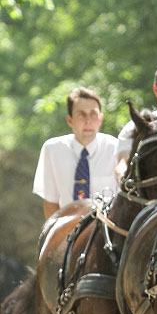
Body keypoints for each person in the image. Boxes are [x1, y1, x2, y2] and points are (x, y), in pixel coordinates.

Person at [32, 87, 119, 219]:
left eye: (93, 114)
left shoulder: (115, 148)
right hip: (67, 227)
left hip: (106, 229)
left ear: (100, 119)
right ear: (70, 120)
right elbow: (50, 203)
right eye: (81, 114)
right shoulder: (52, 150)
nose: (88, 120)